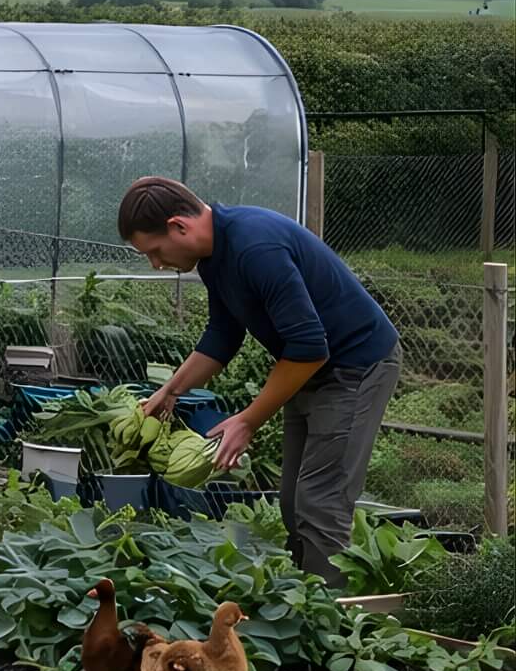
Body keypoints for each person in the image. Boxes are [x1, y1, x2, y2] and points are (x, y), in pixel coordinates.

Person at [117, 177, 400, 581]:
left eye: (155, 251)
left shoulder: (255, 247)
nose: (156, 264)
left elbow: (309, 345)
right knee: (292, 502)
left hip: (356, 366)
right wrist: (170, 391)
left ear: (179, 226)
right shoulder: (216, 256)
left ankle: (332, 621)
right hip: (308, 370)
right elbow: (222, 336)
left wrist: (248, 420)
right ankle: (305, 600)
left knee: (321, 502)